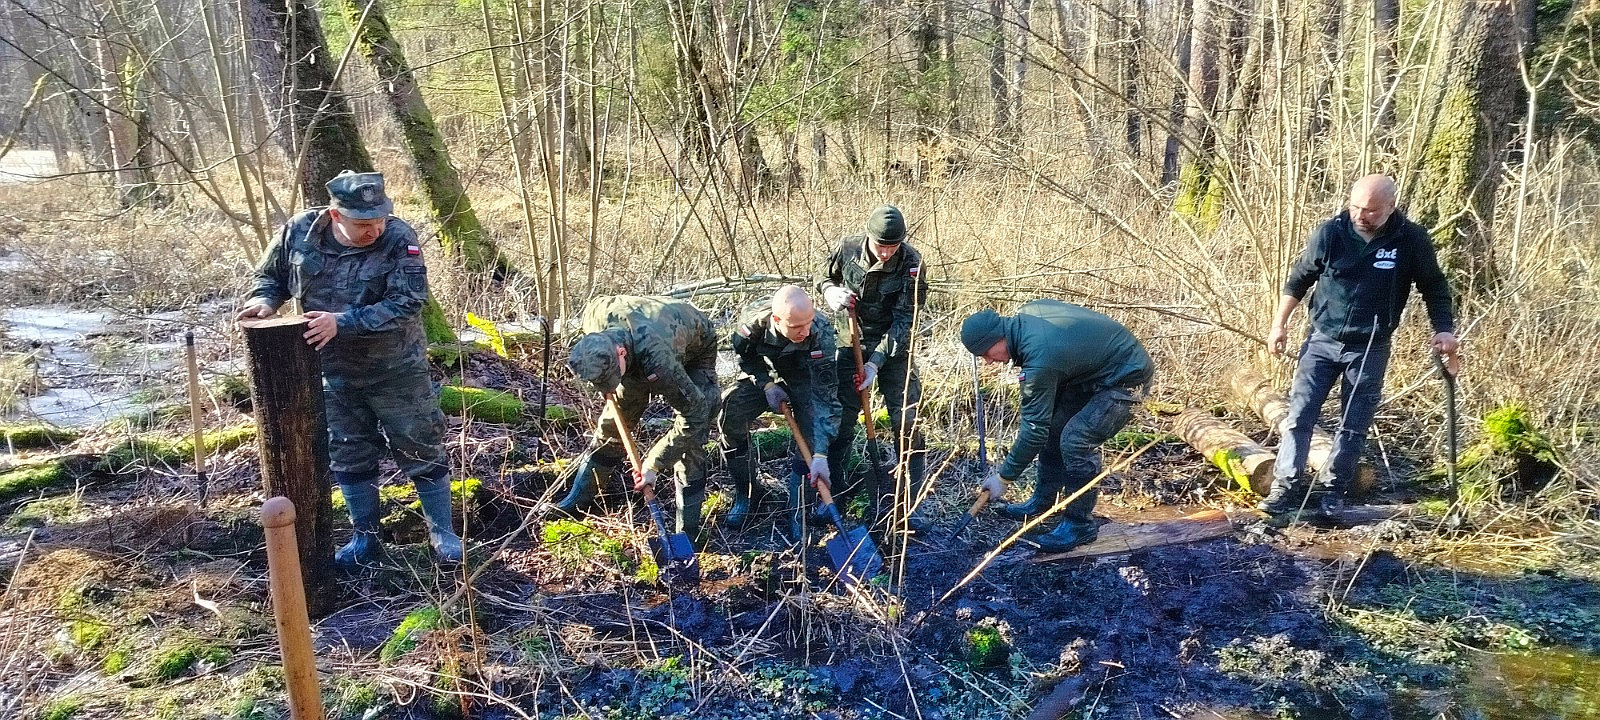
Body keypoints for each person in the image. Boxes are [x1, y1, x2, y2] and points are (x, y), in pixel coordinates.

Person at [238, 170, 463, 567]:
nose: (374, 229)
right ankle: (366, 539)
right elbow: (270, 277)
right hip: (331, 370)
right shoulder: (300, 232)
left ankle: (442, 534)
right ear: (335, 215)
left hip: (396, 367)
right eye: (363, 223)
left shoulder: (399, 238)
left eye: (379, 219)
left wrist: (341, 322)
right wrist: (264, 302)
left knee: (420, 443)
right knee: (348, 452)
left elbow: (408, 302)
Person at [1260, 174, 1459, 518]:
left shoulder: (1410, 239)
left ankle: (1333, 490)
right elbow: (1299, 280)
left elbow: (1434, 287)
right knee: (1299, 416)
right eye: (1356, 207)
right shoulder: (1331, 233)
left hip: (1370, 346)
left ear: (1390, 207)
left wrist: (1444, 330)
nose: (1360, 215)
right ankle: (1285, 487)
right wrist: (1279, 324)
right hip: (1322, 339)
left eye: (1370, 210)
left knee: (1353, 424)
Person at [962, 300, 1154, 552]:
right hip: (1089, 373)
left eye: (986, 353)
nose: (988, 361)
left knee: (1076, 441)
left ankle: (1079, 524)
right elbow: (1042, 424)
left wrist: (1004, 477)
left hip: (1127, 379)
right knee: (1054, 427)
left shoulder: (1040, 359)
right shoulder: (1028, 316)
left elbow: (1033, 430)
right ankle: (1043, 502)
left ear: (998, 338)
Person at [560, 295, 720, 538]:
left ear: (621, 352)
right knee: (612, 426)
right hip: (642, 339)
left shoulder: (659, 360)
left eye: (611, 378)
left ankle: (688, 533)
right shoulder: (595, 316)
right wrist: (607, 381)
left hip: (695, 346)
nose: (608, 386)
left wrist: (654, 464)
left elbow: (695, 414)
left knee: (691, 442)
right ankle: (578, 499)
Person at [815, 205, 931, 531]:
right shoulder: (847, 248)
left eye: (892, 247)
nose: (886, 253)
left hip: (893, 349)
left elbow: (905, 321)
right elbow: (822, 275)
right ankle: (835, 496)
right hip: (848, 341)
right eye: (881, 246)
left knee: (908, 420)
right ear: (868, 237)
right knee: (841, 420)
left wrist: (875, 363)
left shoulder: (912, 263)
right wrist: (830, 291)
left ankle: (910, 505)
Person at [718, 285, 843, 539]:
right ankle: (747, 495)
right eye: (797, 327)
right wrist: (766, 384)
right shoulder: (752, 323)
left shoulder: (821, 333)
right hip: (769, 376)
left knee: (811, 433)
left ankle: (798, 513)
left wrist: (820, 453)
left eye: (808, 323)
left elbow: (825, 397)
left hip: (806, 379)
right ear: (776, 320)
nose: (805, 331)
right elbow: (746, 357)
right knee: (731, 410)